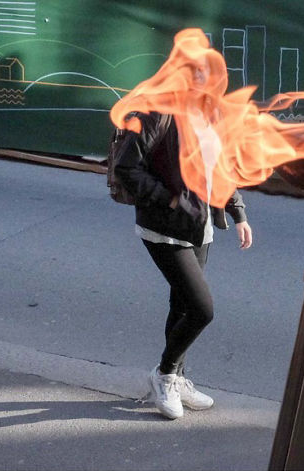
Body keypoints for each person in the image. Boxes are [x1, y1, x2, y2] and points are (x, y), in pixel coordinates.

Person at [112, 35, 253, 420]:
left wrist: (238, 213)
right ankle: (165, 374)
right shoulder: (156, 113)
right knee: (202, 309)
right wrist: (170, 199)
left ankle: (177, 378)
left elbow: (220, 168)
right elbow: (126, 168)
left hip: (200, 227)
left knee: (182, 305)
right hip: (164, 227)